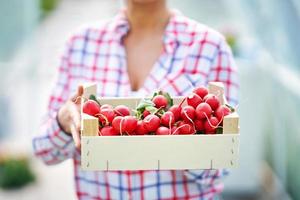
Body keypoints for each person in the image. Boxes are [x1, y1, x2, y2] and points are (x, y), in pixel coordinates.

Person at [33, 0, 238, 199]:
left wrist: (181, 145)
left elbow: (220, 167)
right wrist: (63, 122)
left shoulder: (210, 46)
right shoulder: (79, 44)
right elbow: (45, 151)